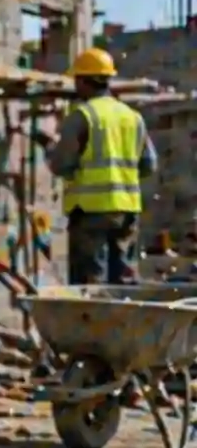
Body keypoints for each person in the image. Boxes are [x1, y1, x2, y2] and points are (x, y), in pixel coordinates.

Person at [43, 48, 156, 285]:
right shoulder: (133, 117)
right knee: (124, 279)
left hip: (89, 210)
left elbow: (62, 166)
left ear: (84, 81)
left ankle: (91, 322)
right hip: (126, 210)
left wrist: (49, 148)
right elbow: (149, 165)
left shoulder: (82, 116)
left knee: (89, 280)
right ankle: (126, 321)